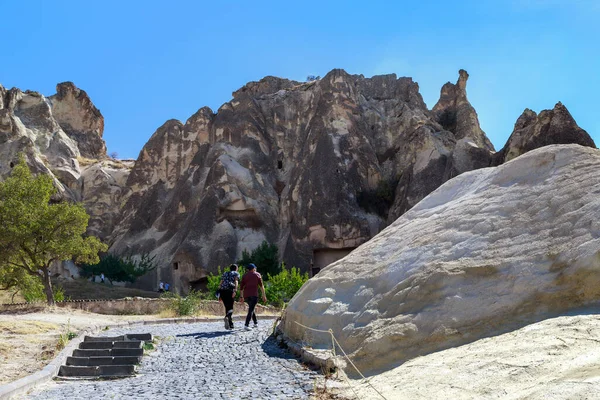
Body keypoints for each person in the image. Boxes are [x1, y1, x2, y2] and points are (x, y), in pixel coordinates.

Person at [238, 263, 267, 331]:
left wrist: (241, 296)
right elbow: (261, 286)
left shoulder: (244, 276)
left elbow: (241, 287)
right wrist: (263, 295)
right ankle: (246, 325)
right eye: (255, 268)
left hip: (246, 295)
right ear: (254, 269)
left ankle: (255, 323)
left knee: (251, 308)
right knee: (251, 309)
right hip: (254, 295)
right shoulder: (257, 274)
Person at [219, 264, 240, 330]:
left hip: (222, 291)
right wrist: (235, 290)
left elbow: (221, 282)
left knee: (227, 307)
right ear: (236, 268)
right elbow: (236, 281)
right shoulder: (236, 273)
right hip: (230, 291)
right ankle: (227, 317)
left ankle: (231, 325)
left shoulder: (225, 273)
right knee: (230, 307)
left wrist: (219, 293)